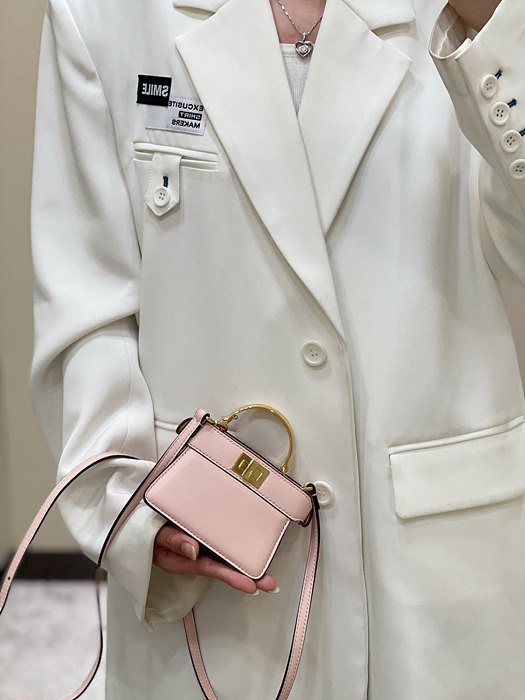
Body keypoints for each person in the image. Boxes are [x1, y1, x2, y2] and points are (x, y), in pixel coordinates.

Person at [29, 0, 525, 697]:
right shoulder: (104, 15)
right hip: (215, 559)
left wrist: (492, 25)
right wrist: (126, 502)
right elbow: (86, 299)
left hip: (438, 561)